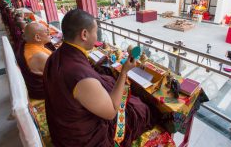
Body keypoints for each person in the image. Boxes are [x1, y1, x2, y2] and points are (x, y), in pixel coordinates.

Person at [43, 9, 154, 146]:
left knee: (110, 82)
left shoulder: (55, 56)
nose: (97, 35)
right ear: (84, 34)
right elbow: (112, 112)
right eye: (95, 31)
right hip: (82, 140)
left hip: (61, 126)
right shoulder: (79, 75)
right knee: (140, 109)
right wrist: (124, 72)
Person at [16, 23, 52, 100]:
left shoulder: (26, 44)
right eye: (47, 32)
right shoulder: (39, 56)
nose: (50, 33)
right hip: (45, 94)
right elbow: (61, 77)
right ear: (37, 37)